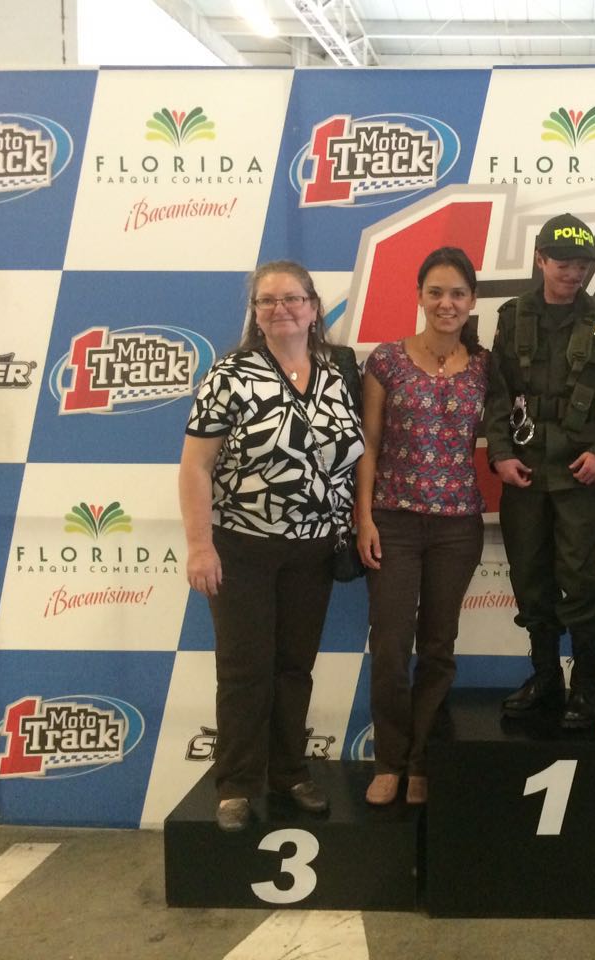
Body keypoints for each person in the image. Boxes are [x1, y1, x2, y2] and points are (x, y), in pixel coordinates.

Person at [179, 260, 364, 831]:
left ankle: (289, 772)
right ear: (255, 314)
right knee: (244, 671)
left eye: (292, 299)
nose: (280, 309)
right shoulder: (229, 375)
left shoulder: (337, 372)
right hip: (243, 548)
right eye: (267, 301)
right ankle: (236, 785)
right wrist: (200, 546)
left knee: (294, 668)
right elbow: (195, 466)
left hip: (314, 550)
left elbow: (355, 454)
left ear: (314, 308)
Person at [484, 213, 595, 729]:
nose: (573, 273)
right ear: (540, 260)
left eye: (582, 265)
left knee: (579, 578)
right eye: (563, 263)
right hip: (524, 473)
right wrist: (500, 454)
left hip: (578, 474)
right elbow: (498, 395)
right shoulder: (512, 318)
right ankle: (546, 677)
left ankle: (586, 686)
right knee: (530, 577)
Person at [355, 247, 489, 806]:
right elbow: (369, 442)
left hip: (458, 526)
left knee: (438, 647)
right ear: (419, 296)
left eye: (457, 293)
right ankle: (389, 759)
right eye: (435, 292)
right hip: (393, 521)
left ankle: (420, 762)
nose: (446, 303)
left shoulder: (485, 366)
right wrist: (363, 516)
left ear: (472, 301)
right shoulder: (386, 361)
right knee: (390, 647)